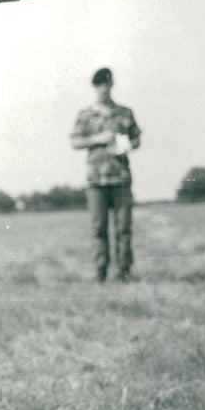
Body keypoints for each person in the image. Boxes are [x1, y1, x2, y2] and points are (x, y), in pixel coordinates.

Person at [70, 67, 142, 282]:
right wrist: (99, 138)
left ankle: (123, 272)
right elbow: (75, 141)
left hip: (120, 177)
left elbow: (137, 139)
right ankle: (100, 272)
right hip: (95, 180)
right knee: (98, 228)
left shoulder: (125, 113)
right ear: (95, 87)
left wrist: (126, 145)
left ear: (112, 85)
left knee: (123, 227)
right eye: (99, 84)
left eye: (107, 84)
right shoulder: (85, 114)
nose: (103, 88)